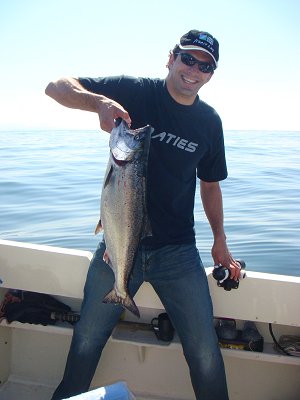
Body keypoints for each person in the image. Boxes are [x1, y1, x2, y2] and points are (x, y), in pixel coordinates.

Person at [46, 29, 241, 400]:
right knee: (86, 338)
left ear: (211, 74)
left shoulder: (209, 122)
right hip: (117, 246)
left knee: (204, 351)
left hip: (178, 251)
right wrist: (99, 103)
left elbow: (211, 185)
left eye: (206, 66)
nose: (194, 70)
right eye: (188, 58)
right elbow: (56, 87)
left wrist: (220, 240)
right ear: (171, 58)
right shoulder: (134, 91)